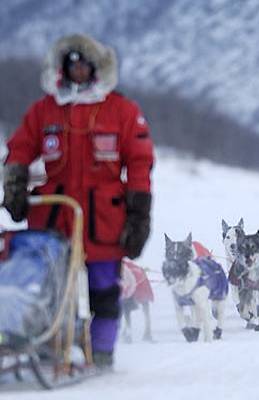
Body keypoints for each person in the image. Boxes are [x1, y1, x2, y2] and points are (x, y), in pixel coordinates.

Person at [2, 34, 154, 368]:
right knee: (51, 288)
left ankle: (101, 353)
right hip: (53, 216)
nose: (79, 71)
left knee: (104, 288)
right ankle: (52, 347)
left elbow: (140, 163)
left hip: (104, 218)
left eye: (85, 65)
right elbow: (20, 147)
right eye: (72, 65)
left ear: (96, 68)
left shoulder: (122, 111)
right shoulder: (45, 109)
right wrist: (14, 181)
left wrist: (139, 214)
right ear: (64, 69)